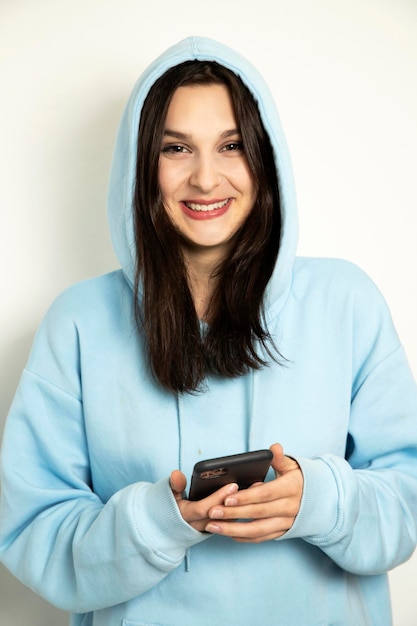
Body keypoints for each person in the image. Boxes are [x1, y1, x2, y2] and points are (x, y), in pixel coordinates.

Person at [0, 35, 416, 626]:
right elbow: (31, 527)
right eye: (176, 147)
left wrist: (321, 502)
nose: (205, 177)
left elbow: (408, 498)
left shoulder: (347, 302)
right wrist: (154, 522)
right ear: (143, 163)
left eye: (231, 145)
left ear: (265, 159)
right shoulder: (78, 322)